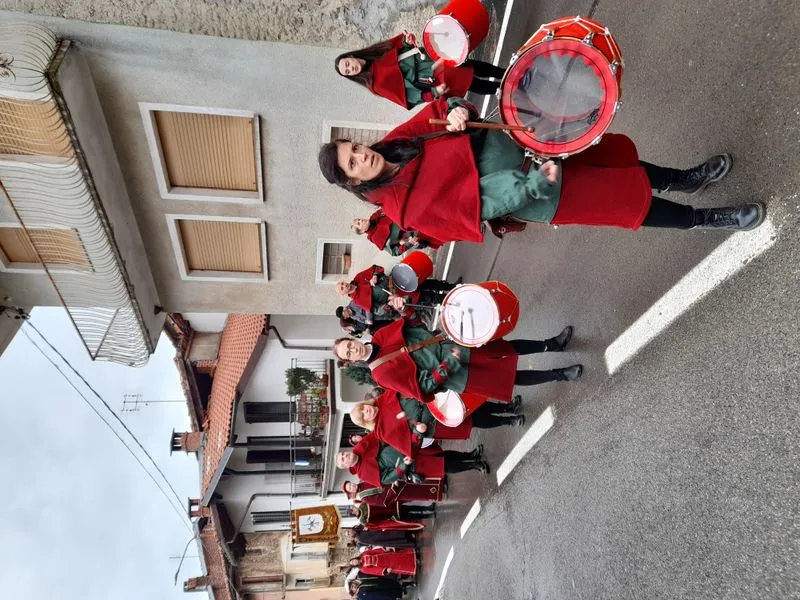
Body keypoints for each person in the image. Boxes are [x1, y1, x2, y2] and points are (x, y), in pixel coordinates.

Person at [318, 97, 766, 245]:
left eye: (354, 147)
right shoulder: (405, 209)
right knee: (623, 201)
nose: (361, 155)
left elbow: (442, 109)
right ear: (353, 182)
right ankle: (706, 219)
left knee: (615, 163)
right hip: (537, 188)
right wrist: (531, 182)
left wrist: (456, 111)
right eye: (352, 163)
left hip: (525, 141)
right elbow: (481, 204)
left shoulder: (396, 141)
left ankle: (684, 179)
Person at [333, 319, 581, 405]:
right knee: (509, 378)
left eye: (349, 345)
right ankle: (560, 374)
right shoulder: (380, 375)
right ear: (351, 361)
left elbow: (413, 325)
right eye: (349, 354)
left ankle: (552, 344)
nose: (353, 349)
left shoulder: (379, 335)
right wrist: (448, 364)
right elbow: (423, 386)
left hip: (452, 344)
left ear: (352, 339)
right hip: (457, 372)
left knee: (507, 348)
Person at [335, 32, 505, 110]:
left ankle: (508, 73)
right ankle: (505, 88)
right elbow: (407, 97)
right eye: (348, 71)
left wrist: (408, 41)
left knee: (473, 65)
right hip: (433, 77)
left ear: (350, 56)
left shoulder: (374, 52)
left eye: (347, 64)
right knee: (470, 81)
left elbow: (401, 47)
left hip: (433, 57)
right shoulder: (376, 84)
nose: (351, 68)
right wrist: (434, 93)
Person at [350, 390, 524, 457]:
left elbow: (408, 389)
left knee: (471, 406)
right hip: (435, 424)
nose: (367, 411)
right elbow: (408, 446)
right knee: (474, 421)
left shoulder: (383, 398)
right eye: (364, 415)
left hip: (434, 403)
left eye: (363, 408)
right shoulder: (382, 431)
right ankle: (509, 421)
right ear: (366, 422)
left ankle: (507, 407)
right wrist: (418, 432)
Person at [336, 432, 489, 482]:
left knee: (442, 454)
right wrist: (403, 466)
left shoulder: (360, 446)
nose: (345, 455)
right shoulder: (363, 474)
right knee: (444, 466)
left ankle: (470, 454)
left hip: (411, 448)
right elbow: (386, 478)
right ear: (347, 466)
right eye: (343, 459)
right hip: (411, 465)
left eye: (343, 453)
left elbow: (382, 439)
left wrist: (404, 441)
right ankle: (474, 465)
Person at [336, 264, 455, 323]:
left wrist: (375, 276)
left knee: (425, 283)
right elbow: (377, 309)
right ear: (343, 294)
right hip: (397, 296)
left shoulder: (358, 277)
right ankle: (452, 300)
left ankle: (451, 287)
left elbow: (376, 268)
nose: (344, 286)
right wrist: (388, 305)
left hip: (396, 281)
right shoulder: (357, 300)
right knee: (426, 297)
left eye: (342, 283)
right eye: (342, 288)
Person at [353, 209, 443, 256]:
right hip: (416, 233)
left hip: (416, 216)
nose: (361, 220)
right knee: (443, 230)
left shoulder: (375, 216)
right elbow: (395, 251)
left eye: (359, 219)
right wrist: (408, 243)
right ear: (362, 231)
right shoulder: (375, 239)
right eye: (359, 223)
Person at [349, 547, 417, 577]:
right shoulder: (363, 569)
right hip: (383, 565)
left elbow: (373, 551)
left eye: (353, 560)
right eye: (353, 563)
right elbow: (374, 571)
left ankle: (414, 557)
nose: (354, 562)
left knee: (399, 556)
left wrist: (384, 549)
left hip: (384, 556)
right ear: (355, 565)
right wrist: (385, 570)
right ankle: (413, 566)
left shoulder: (363, 554)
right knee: (399, 566)